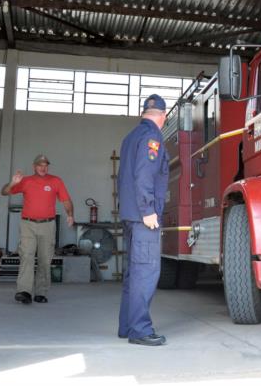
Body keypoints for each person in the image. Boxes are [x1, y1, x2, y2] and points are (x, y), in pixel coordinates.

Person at [117, 94, 170, 346]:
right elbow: (143, 175)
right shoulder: (153, 137)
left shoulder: (130, 137)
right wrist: (148, 210)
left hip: (129, 215)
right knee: (145, 272)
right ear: (163, 116)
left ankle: (127, 326)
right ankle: (140, 330)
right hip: (143, 217)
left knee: (133, 273)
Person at [1, 154, 74, 305]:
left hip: (48, 224)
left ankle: (41, 292)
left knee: (44, 259)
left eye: (45, 165)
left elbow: (66, 200)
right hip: (28, 224)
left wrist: (70, 215)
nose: (43, 167)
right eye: (40, 165)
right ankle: (24, 291)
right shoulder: (26, 181)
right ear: (34, 166)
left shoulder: (56, 181)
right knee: (26, 256)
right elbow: (4, 192)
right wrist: (12, 182)